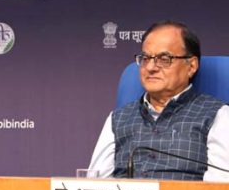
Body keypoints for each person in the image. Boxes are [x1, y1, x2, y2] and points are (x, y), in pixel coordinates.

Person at [88, 20, 229, 181]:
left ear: (191, 66)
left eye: (164, 58)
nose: (150, 67)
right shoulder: (117, 119)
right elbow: (95, 185)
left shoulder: (217, 115)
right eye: (146, 58)